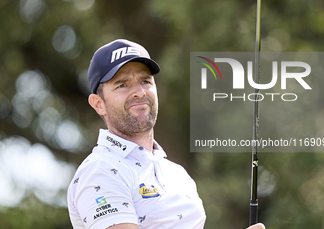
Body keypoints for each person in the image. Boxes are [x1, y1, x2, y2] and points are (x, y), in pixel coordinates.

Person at [67, 39, 266, 229]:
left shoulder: (177, 174)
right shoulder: (100, 170)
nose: (139, 92)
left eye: (146, 81)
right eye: (122, 84)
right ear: (98, 104)